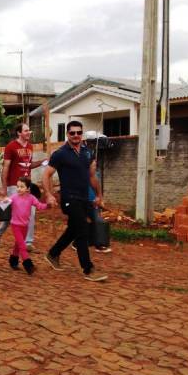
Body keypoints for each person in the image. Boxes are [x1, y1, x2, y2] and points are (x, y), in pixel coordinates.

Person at [42, 121, 108, 282]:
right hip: (69, 199)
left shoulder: (87, 152)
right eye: (72, 133)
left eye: (79, 132)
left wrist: (99, 195)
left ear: (82, 133)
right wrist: (49, 194)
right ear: (67, 134)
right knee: (82, 230)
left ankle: (53, 254)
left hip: (84, 198)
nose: (76, 135)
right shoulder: (60, 154)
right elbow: (46, 175)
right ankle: (88, 269)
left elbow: (92, 176)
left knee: (73, 229)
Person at [0, 124, 45, 249]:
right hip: (14, 186)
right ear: (19, 133)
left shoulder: (30, 147)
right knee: (10, 215)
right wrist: (4, 188)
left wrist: (42, 162)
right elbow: (5, 167)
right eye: (26, 130)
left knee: (31, 213)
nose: (29, 132)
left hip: (27, 187)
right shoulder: (11, 147)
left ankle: (28, 242)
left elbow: (29, 165)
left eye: (29, 130)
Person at [7, 177, 48, 274]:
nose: (19, 189)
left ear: (28, 188)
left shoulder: (31, 198)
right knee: (22, 246)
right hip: (15, 225)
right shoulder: (14, 197)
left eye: (22, 187)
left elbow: (40, 206)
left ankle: (13, 261)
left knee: (18, 245)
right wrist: (2, 202)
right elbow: (3, 204)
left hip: (25, 226)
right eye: (18, 187)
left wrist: (48, 205)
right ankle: (29, 266)